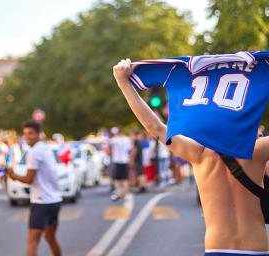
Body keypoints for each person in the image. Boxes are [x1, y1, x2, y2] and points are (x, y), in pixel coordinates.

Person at [113, 58, 269, 255]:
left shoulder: (199, 155)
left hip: (217, 246)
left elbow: (156, 128)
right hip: (257, 246)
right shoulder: (255, 151)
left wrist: (124, 83)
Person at [7, 121, 62, 256]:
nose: (27, 136)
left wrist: (13, 175)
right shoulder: (45, 147)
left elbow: (28, 179)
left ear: (38, 134)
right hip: (55, 201)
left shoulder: (34, 152)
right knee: (50, 238)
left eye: (31, 133)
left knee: (32, 241)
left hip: (41, 202)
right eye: (25, 134)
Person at [109, 127, 132, 201]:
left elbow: (107, 143)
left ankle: (118, 193)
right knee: (125, 179)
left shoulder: (114, 140)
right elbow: (129, 149)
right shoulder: (127, 139)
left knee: (117, 179)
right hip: (125, 160)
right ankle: (126, 194)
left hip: (117, 161)